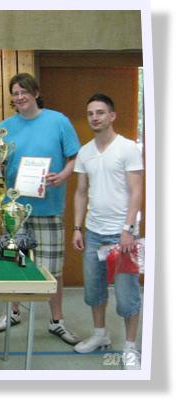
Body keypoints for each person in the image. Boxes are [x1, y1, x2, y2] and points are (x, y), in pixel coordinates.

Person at [0, 73, 81, 345]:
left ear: (36, 93)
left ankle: (57, 321)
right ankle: (13, 312)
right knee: (12, 263)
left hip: (48, 208)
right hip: (13, 209)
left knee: (53, 271)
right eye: (15, 93)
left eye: (24, 91)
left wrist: (63, 175)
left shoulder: (58, 121)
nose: (20, 97)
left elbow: (75, 157)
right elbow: (1, 163)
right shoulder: (5, 127)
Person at [72, 94, 143, 369]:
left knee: (127, 295)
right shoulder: (85, 152)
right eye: (90, 113)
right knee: (94, 290)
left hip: (121, 235)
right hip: (93, 233)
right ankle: (100, 335)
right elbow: (80, 192)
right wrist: (78, 228)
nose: (95, 117)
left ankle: (130, 347)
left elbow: (136, 191)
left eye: (100, 112)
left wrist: (128, 229)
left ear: (112, 116)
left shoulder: (128, 148)